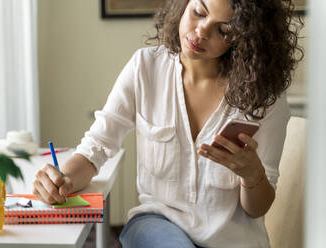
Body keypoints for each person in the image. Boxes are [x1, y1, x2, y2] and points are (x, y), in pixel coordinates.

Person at [32, 0, 303, 247]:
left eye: (223, 30)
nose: (200, 32)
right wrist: (62, 179)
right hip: (156, 226)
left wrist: (251, 175)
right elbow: (97, 147)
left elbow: (257, 209)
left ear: (245, 38)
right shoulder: (145, 68)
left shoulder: (265, 98)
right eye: (198, 12)